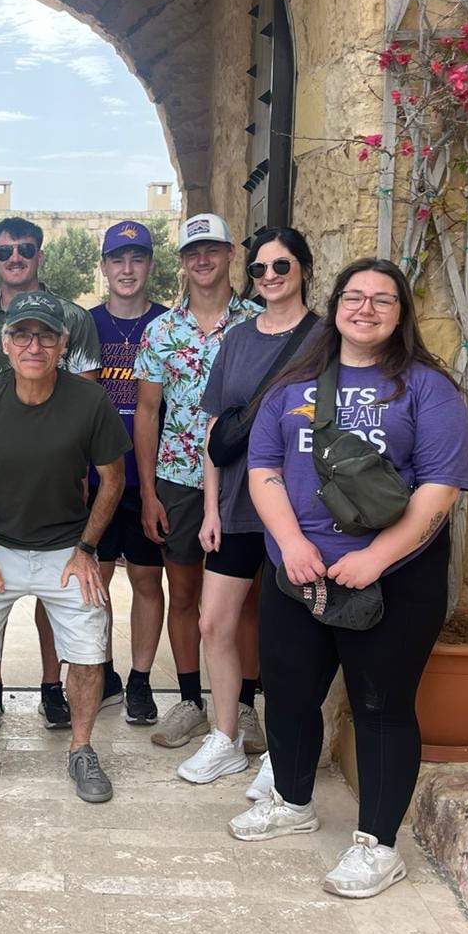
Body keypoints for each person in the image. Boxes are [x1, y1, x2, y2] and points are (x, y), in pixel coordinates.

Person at [229, 258, 468, 900]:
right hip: (298, 570)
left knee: (380, 706)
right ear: (334, 304)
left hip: (393, 579)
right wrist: (288, 542)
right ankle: (292, 800)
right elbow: (265, 469)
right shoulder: (292, 385)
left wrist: (378, 557)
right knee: (287, 692)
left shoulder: (427, 388)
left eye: (382, 300)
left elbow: (438, 490)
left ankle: (378, 845)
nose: (365, 308)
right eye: (354, 296)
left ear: (401, 314)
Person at [0, 290, 131, 803]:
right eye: (22, 334)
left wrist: (87, 548)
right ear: (4, 343)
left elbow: (111, 479)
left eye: (45, 335)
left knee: (90, 654)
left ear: (62, 344)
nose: (34, 345)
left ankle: (81, 748)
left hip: (66, 547)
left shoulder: (89, 400)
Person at [178, 226, 318, 786]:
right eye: (259, 270)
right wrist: (211, 509)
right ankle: (224, 735)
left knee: (293, 635)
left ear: (303, 268)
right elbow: (217, 427)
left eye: (280, 267)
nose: (269, 278)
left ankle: (284, 752)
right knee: (214, 621)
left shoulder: (326, 338)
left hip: (300, 506)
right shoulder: (237, 339)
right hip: (237, 503)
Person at [0, 216, 104, 729]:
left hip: (59, 476)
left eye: (26, 248)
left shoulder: (72, 317)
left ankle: (53, 684)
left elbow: (87, 399)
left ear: (40, 253)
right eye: (5, 251)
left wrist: (80, 483)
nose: (16, 257)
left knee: (58, 594)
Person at [134, 213, 260, 749]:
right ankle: (189, 700)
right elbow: (146, 411)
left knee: (244, 601)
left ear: (231, 253)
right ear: (182, 262)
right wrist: (147, 492)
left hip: (250, 479)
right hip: (179, 478)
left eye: (211, 249)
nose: (202, 260)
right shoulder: (161, 329)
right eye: (192, 252)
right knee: (181, 592)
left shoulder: (258, 322)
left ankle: (246, 707)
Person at [87, 220, 169, 726]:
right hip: (96, 477)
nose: (127, 269)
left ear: (149, 266)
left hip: (150, 478)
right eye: (118, 259)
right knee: (94, 582)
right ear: (104, 267)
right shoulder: (85, 324)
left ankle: (140, 680)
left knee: (145, 579)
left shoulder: (167, 324)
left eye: (136, 259)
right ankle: (106, 673)